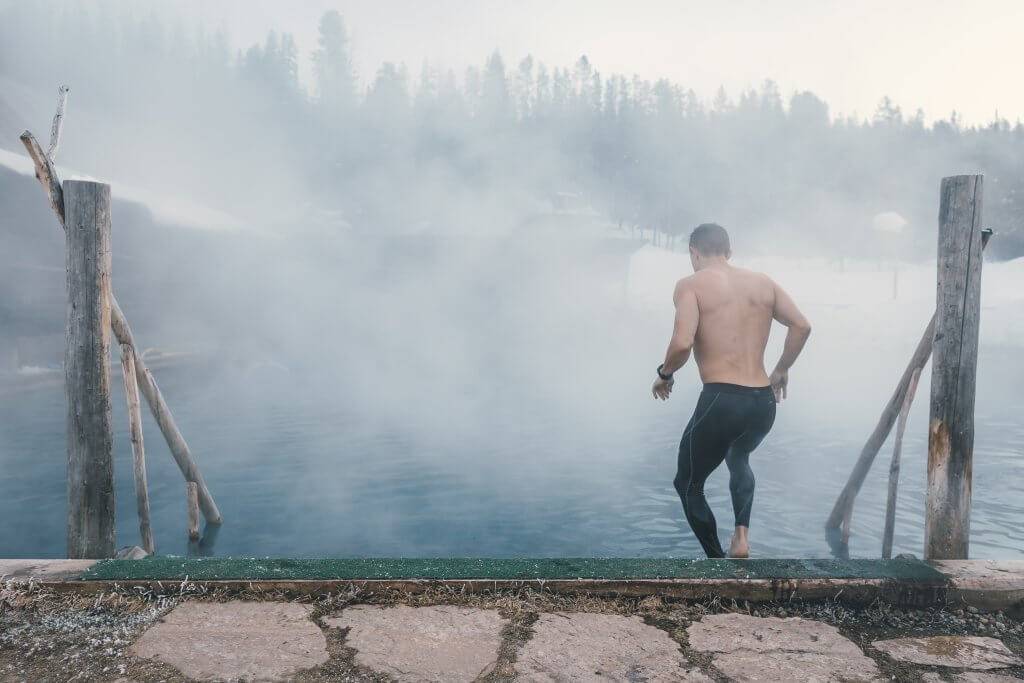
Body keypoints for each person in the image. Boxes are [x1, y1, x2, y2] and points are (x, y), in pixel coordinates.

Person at [651, 223, 811, 558]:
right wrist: (781, 369)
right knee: (738, 456)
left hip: (722, 400)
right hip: (762, 401)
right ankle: (741, 537)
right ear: (730, 251)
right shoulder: (763, 283)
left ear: (694, 253)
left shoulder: (690, 285)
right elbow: (801, 325)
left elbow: (682, 342)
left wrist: (664, 374)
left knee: (688, 485)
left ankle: (717, 563)